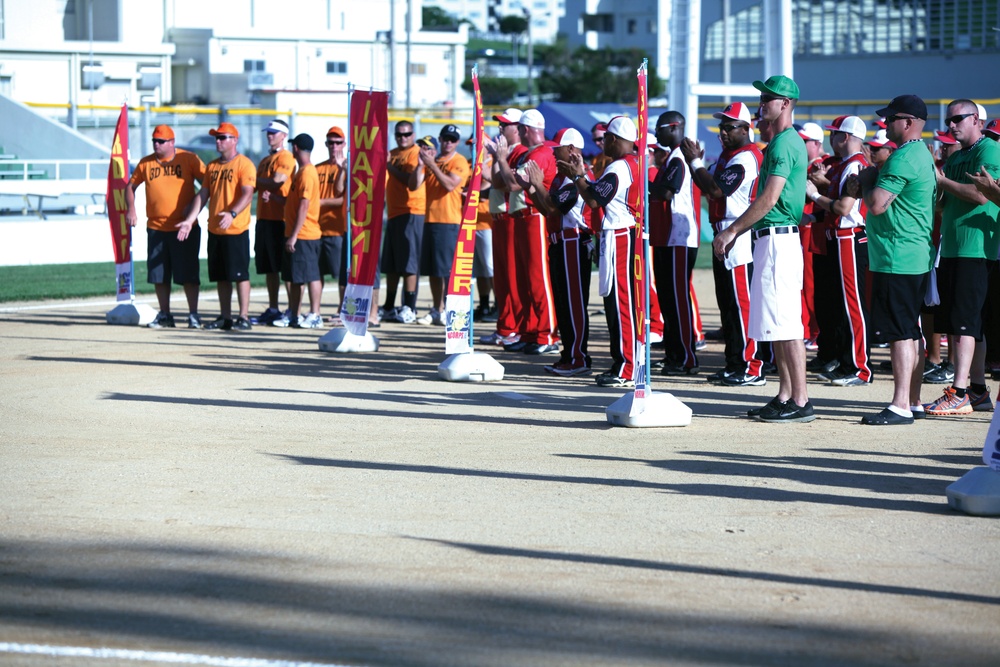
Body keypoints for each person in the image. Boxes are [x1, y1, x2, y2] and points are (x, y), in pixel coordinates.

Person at [713, 75, 814, 423]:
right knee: (776, 323)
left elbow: (770, 198)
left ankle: (800, 399)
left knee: (786, 323)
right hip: (773, 239)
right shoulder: (780, 142)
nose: (761, 103)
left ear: (785, 104)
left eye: (768, 98)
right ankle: (786, 394)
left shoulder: (785, 143)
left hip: (778, 239)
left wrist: (732, 231)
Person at [849, 95, 937, 425]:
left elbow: (877, 204)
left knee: (901, 333)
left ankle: (900, 404)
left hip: (897, 255)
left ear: (909, 122)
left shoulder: (903, 158)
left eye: (891, 119)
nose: (885, 124)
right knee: (910, 332)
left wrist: (869, 178)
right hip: (911, 254)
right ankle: (912, 400)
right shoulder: (921, 155)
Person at [925, 99, 1000, 415]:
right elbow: (944, 204)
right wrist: (935, 182)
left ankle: (959, 391)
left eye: (957, 119)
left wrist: (940, 179)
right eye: (948, 119)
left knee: (965, 325)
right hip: (955, 247)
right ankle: (978, 390)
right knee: (966, 324)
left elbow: (980, 194)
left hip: (976, 248)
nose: (950, 125)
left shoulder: (989, 151)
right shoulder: (958, 157)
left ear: (976, 121)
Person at [682, 102, 766, 387]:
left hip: (738, 233)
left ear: (746, 128)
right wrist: (699, 166)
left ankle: (751, 366)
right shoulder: (728, 156)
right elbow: (710, 186)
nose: (723, 132)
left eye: (730, 127)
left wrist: (694, 161)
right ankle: (734, 363)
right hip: (724, 231)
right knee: (727, 304)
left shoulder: (746, 157)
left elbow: (717, 189)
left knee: (741, 304)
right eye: (722, 126)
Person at [562, 116, 641, 388]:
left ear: (616, 140)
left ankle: (627, 366)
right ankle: (624, 363)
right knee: (617, 300)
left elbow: (594, 199)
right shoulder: (629, 164)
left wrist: (578, 176)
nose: (603, 141)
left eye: (607, 137)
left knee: (620, 302)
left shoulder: (619, 166)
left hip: (620, 234)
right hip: (619, 233)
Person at [804, 116, 873, 387]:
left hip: (849, 237)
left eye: (834, 134)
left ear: (844, 137)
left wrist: (813, 194)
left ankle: (860, 367)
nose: (831, 139)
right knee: (842, 305)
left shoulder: (855, 164)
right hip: (839, 237)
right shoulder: (845, 164)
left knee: (853, 304)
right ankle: (847, 362)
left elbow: (844, 209)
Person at [523, 127, 596, 376]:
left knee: (574, 303)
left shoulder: (578, 177)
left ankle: (579, 357)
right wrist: (532, 188)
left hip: (573, 242)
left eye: (559, 149)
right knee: (563, 303)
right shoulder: (560, 177)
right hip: (560, 242)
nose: (554, 153)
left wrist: (535, 184)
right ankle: (569, 355)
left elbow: (554, 207)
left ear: (572, 150)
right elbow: (547, 210)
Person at [125, 124, 206, 329]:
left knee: (188, 274)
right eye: (154, 141)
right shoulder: (146, 163)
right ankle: (165, 314)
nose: (156, 144)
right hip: (156, 227)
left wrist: (194, 205)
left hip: (184, 227)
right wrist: (131, 209)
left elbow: (208, 183)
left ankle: (193, 315)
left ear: (172, 142)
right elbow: (130, 186)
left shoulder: (188, 159)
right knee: (159, 275)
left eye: (161, 141)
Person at [178, 122, 257, 331]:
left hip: (235, 228)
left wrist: (232, 213)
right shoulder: (212, 166)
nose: (218, 141)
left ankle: (244, 317)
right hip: (215, 228)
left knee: (240, 275)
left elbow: (248, 193)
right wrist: (189, 219)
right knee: (221, 276)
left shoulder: (244, 164)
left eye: (223, 137)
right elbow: (203, 195)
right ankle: (225, 316)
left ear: (234, 140)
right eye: (217, 137)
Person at [494, 109, 560, 354]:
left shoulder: (541, 154)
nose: (518, 132)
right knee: (524, 280)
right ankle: (530, 331)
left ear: (530, 130)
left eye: (521, 128)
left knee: (537, 278)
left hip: (535, 217)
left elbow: (512, 183)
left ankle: (547, 334)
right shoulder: (532, 154)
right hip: (522, 218)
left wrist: (500, 159)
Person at [651, 110, 700, 375]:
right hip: (668, 237)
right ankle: (674, 354)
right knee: (668, 299)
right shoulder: (673, 156)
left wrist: (645, 187)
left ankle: (686, 356)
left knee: (677, 298)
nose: (657, 133)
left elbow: (668, 192)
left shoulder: (680, 156)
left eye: (660, 128)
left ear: (674, 127)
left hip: (678, 236)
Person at [411, 126, 471, 325]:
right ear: (440, 139)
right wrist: (420, 165)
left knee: (446, 271)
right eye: (445, 138)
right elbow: (413, 185)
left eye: (452, 140)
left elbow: (450, 184)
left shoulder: (459, 161)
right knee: (433, 270)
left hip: (448, 220)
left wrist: (431, 165)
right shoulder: (432, 162)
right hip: (429, 219)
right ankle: (437, 308)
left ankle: (448, 309)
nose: (448, 142)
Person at [479, 108, 527, 346]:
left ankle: (514, 327)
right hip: (499, 218)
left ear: (519, 128)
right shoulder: (508, 151)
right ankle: (506, 325)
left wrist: (500, 159)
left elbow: (510, 185)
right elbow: (496, 182)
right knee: (502, 278)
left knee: (512, 277)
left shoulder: (521, 152)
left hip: (513, 218)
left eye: (504, 125)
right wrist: (497, 157)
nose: (500, 129)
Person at [277, 134, 323, 329]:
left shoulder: (307, 173)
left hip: (305, 234)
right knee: (296, 278)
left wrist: (294, 235)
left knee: (311, 275)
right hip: (297, 232)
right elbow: (294, 202)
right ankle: (294, 314)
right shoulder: (300, 171)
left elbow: (304, 205)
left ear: (296, 148)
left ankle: (315, 314)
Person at [382, 120, 426, 324]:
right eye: (399, 135)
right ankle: (390, 306)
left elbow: (411, 182)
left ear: (413, 134)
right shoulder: (392, 153)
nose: (403, 138)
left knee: (409, 263)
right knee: (391, 265)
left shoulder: (416, 153)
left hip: (412, 211)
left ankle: (409, 306)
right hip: (393, 212)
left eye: (407, 134)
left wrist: (390, 166)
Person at [252, 119, 296, 325]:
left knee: (284, 267)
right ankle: (273, 307)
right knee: (269, 267)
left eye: (274, 132)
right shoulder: (264, 161)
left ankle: (291, 309)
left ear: (283, 135)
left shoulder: (285, 157)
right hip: (264, 218)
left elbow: (278, 181)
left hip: (280, 218)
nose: (269, 135)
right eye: (268, 132)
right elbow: (254, 186)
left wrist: (251, 179)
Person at [797, 122, 826, 350]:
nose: (800, 143)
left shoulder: (819, 167)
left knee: (811, 283)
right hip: (806, 229)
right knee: (805, 282)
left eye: (805, 140)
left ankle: (814, 331)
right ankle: (810, 329)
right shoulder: (809, 166)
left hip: (812, 231)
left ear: (816, 144)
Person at [315, 127, 349, 310]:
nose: (334, 146)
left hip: (337, 228)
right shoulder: (318, 168)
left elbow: (344, 197)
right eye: (331, 142)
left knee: (342, 274)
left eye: (338, 142)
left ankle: (342, 309)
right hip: (317, 227)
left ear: (344, 144)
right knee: (316, 273)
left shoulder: (348, 167)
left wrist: (321, 202)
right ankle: (315, 309)